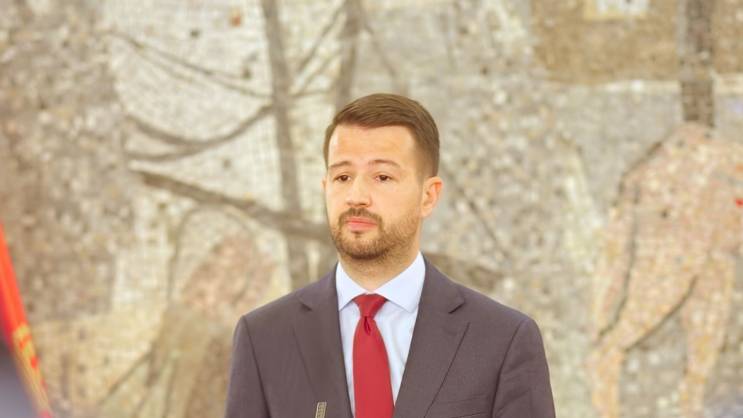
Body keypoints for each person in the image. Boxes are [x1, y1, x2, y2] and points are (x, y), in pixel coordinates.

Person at [224, 93, 556, 418]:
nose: (356, 196)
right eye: (343, 177)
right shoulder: (264, 337)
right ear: (326, 188)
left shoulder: (503, 339)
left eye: (382, 177)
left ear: (428, 196)